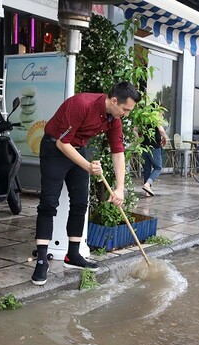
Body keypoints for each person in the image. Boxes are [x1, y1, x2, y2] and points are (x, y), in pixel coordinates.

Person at [31, 82, 141, 286]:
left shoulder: (113, 119)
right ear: (114, 100)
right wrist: (89, 167)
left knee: (81, 203)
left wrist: (119, 188)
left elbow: (118, 151)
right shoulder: (82, 104)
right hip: (55, 148)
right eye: (125, 109)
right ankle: (41, 260)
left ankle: (73, 255)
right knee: (48, 203)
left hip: (79, 148)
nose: (126, 114)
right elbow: (62, 143)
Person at [142, 112, 168, 197]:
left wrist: (140, 140)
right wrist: (165, 138)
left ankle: (147, 191)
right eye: (161, 113)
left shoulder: (145, 119)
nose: (162, 115)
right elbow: (161, 130)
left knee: (147, 168)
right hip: (154, 147)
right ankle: (148, 184)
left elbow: (135, 129)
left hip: (144, 147)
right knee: (158, 167)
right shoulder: (156, 119)